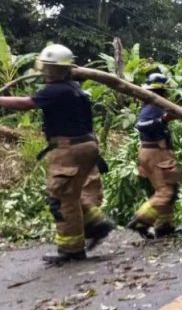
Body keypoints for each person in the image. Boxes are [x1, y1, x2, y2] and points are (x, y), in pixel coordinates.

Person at [0, 44, 114, 263]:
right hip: (87, 145)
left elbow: (25, 103)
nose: (44, 72)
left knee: (61, 198)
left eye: (47, 68)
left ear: (54, 69)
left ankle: (71, 249)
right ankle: (97, 223)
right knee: (72, 193)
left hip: (69, 148)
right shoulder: (77, 90)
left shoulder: (56, 90)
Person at [127, 73, 181, 239]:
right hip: (156, 154)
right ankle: (141, 220)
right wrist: (163, 120)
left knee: (168, 189)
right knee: (167, 192)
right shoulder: (152, 106)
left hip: (155, 153)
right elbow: (142, 125)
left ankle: (164, 227)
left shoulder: (155, 105)